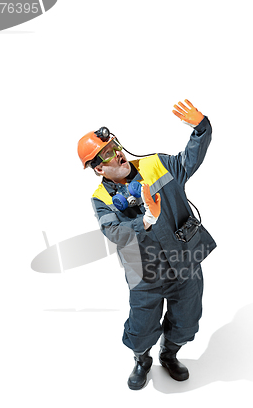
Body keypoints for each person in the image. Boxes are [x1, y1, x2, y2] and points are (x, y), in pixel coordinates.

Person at [77, 99, 216, 390]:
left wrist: (202, 128)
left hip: (185, 262)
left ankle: (170, 353)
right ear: (98, 169)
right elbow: (112, 231)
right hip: (145, 274)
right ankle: (142, 359)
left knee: (187, 322)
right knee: (140, 331)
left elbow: (190, 159)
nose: (118, 155)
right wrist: (145, 220)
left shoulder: (156, 165)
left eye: (115, 147)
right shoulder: (101, 198)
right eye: (107, 155)